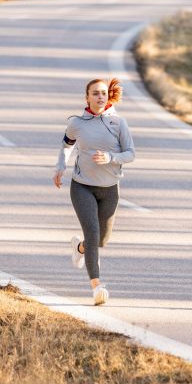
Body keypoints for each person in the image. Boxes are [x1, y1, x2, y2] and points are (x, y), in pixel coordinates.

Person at [54, 78, 135, 306]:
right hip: (82, 186)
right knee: (92, 233)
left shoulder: (119, 123)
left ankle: (79, 248)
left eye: (103, 93)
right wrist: (60, 166)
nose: (100, 97)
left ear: (108, 96)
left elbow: (130, 154)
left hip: (110, 189)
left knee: (100, 240)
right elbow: (66, 145)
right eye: (95, 93)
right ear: (87, 98)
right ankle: (96, 286)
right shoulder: (77, 123)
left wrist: (111, 157)